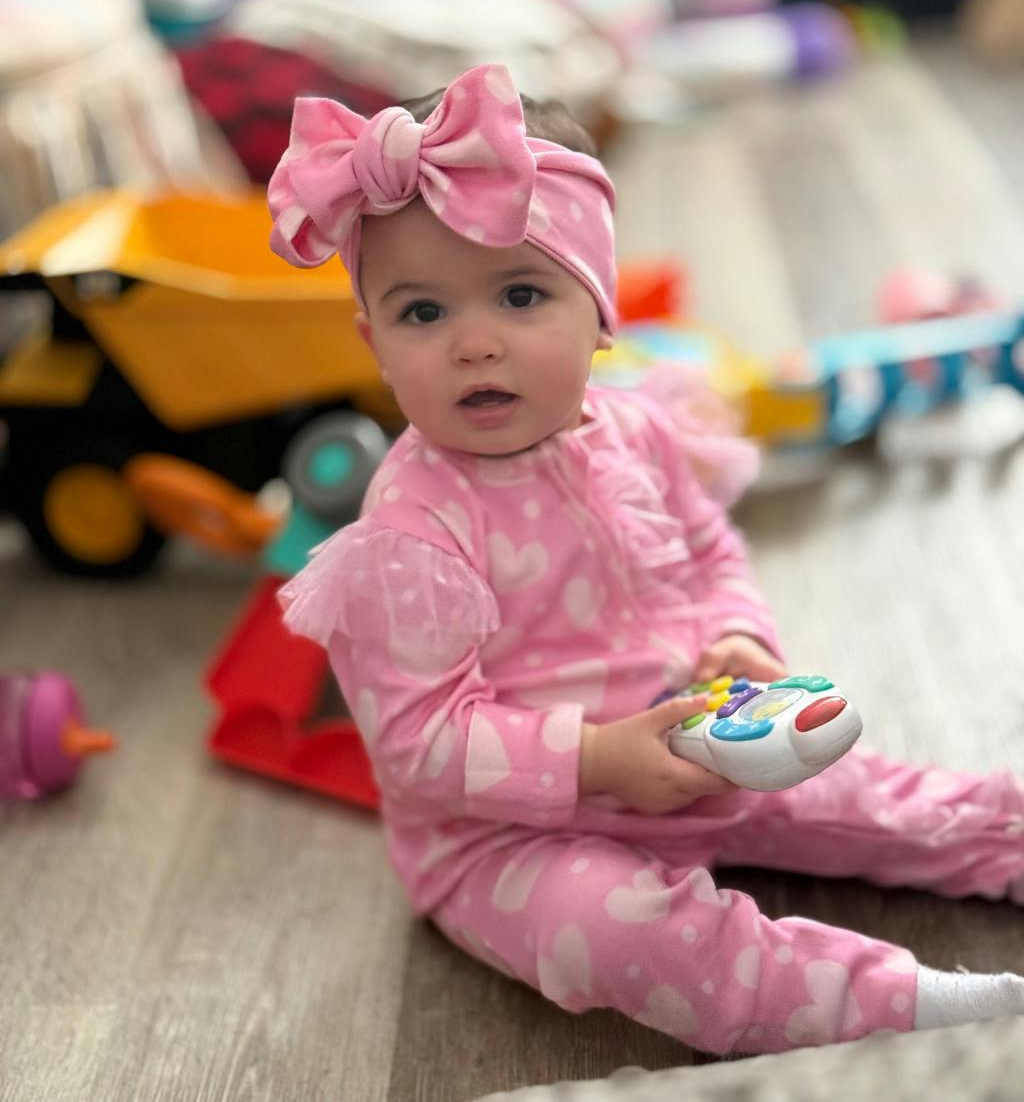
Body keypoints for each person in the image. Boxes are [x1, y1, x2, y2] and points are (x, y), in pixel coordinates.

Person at [267, 63, 1024, 1056]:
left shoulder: (642, 431)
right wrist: (595, 760)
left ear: (599, 311)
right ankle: (896, 1005)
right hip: (505, 839)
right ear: (373, 340)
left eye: (521, 294)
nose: (473, 344)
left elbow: (711, 552)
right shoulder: (411, 533)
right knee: (622, 933)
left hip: (694, 747)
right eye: (423, 313)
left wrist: (737, 636)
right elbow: (421, 741)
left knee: (877, 799)